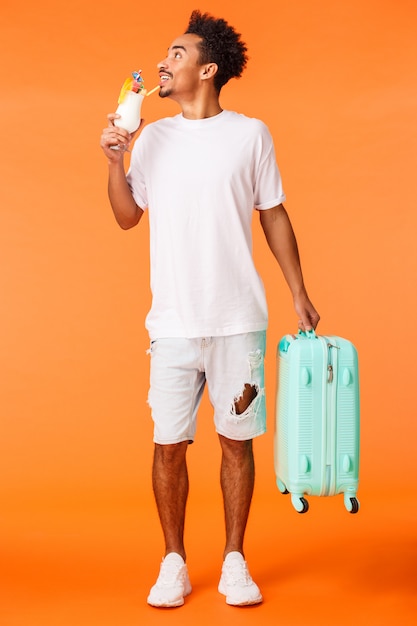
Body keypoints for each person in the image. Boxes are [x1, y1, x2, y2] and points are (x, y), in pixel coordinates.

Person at [100, 9, 319, 609]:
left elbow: (272, 212)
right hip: (171, 323)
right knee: (169, 443)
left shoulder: (251, 135)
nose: (164, 63)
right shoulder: (153, 137)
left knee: (235, 442)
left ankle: (233, 560)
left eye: (177, 53)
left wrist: (298, 290)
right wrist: (115, 160)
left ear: (208, 69)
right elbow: (126, 216)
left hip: (237, 322)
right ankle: (173, 561)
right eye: (165, 54)